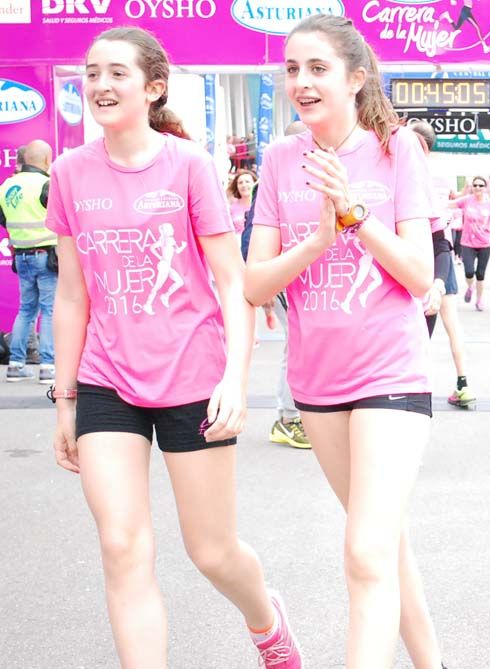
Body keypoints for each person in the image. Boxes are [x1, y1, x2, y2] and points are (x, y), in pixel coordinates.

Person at [46, 27, 301, 668]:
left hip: (193, 377)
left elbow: (231, 280)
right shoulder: (69, 173)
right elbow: (73, 295)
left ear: (154, 87)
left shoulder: (188, 166)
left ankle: (266, 621)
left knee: (211, 549)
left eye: (117, 74)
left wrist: (235, 381)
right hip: (108, 380)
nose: (101, 84)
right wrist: (66, 398)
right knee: (122, 546)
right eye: (92, 72)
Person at [244, 15, 445, 668]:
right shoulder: (278, 159)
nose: (300, 82)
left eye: (317, 68)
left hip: (390, 372)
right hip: (317, 382)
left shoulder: (395, 151)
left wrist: (355, 216)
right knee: (384, 543)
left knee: (364, 551)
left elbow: (419, 275)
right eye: (292, 69)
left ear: (357, 77)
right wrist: (317, 240)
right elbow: (254, 283)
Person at [241, 121, 312, 450]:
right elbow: (251, 236)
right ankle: (288, 417)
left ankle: (303, 412)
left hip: (316, 280)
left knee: (309, 341)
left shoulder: (323, 172)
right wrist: (265, 282)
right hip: (286, 279)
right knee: (296, 342)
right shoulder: (275, 178)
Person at [409, 120, 477, 409]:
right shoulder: (440, 176)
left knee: (417, 328)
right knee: (451, 323)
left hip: (421, 252)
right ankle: (464, 383)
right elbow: (448, 206)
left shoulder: (407, 172)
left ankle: (416, 389)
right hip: (442, 255)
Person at [1, 139, 56, 384]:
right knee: (49, 310)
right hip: (47, 256)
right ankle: (47, 366)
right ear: (46, 160)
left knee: (26, 310)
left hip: (21, 255)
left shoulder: (6, 185)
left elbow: (3, 219)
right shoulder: (47, 184)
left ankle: (15, 365)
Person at [453, 176, 490, 311]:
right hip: (468, 242)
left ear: (485, 188)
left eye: (480, 185)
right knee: (469, 271)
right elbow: (451, 204)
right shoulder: (467, 201)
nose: (477, 188)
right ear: (472, 187)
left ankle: (479, 300)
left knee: (480, 274)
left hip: (485, 243)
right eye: (475, 185)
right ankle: (470, 286)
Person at [226, 168, 255, 235]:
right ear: (237, 186)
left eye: (247, 181)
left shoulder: (261, 206)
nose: (244, 185)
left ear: (254, 183)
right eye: (240, 183)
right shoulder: (231, 208)